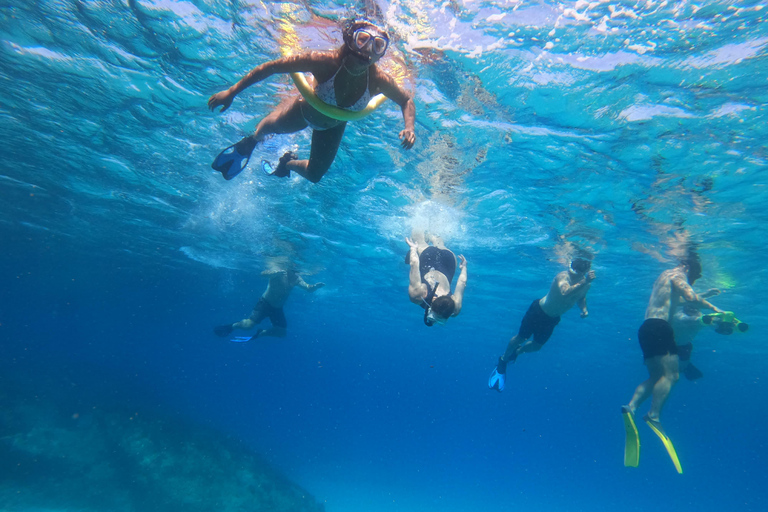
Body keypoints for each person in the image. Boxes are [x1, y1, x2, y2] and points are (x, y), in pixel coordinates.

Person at [207, 19, 416, 183]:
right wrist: (232, 91)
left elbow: (406, 100)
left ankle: (286, 163)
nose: (368, 50)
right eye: (363, 39)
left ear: (381, 55)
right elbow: (271, 67)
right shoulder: (323, 62)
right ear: (349, 39)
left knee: (314, 175)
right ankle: (250, 142)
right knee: (263, 131)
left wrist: (409, 127)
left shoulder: (378, 80)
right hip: (303, 112)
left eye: (378, 46)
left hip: (332, 127)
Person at [622, 256, 722, 431]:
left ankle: (631, 407)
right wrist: (715, 309)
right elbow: (690, 296)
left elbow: (677, 301)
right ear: (687, 267)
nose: (694, 279)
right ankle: (653, 416)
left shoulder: (664, 276)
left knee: (655, 377)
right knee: (672, 376)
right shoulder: (679, 275)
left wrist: (704, 295)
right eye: (695, 275)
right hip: (661, 328)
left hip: (646, 328)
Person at [488, 258, 595, 392]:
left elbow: (580, 297)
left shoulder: (586, 284)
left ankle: (517, 352)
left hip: (552, 319)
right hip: (538, 311)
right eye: (571, 269)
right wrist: (585, 281)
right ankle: (503, 360)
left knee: (537, 346)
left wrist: (584, 309)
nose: (571, 272)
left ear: (583, 272)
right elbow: (564, 292)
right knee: (521, 338)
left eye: (575, 271)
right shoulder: (562, 276)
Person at [213, 268, 324, 340]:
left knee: (281, 333)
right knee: (248, 326)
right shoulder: (280, 272)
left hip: (278, 309)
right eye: (294, 269)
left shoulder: (297, 278)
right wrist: (274, 272)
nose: (296, 271)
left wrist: (315, 287)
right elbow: (263, 274)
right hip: (264, 304)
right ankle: (232, 326)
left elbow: (308, 288)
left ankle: (261, 333)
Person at [405, 230, 467, 326]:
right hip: (428, 257)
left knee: (438, 241)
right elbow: (414, 264)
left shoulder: (456, 308)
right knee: (418, 239)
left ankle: (435, 227)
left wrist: (464, 268)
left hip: (449, 260)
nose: (434, 322)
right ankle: (418, 219)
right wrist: (413, 249)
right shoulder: (417, 295)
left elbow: (462, 282)